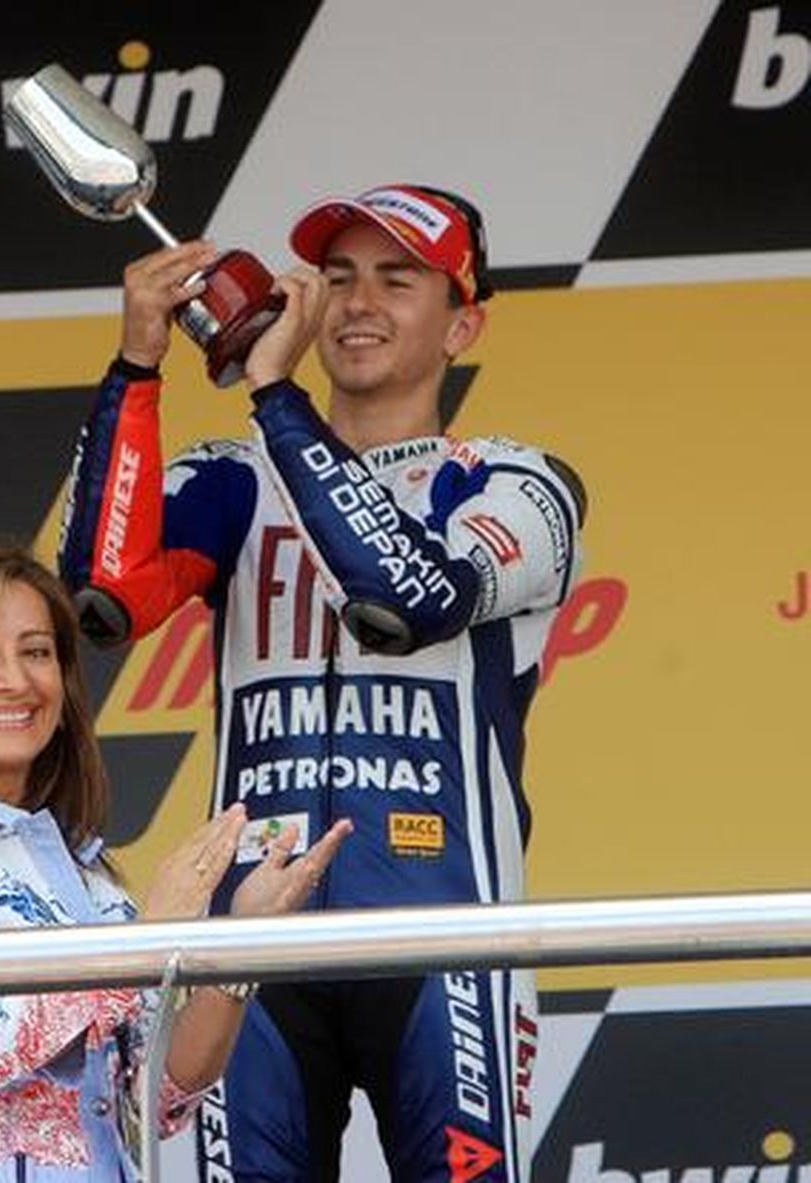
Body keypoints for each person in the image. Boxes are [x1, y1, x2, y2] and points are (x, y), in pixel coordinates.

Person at [58, 184, 588, 1183]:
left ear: (462, 323)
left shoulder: (518, 483)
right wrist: (136, 362)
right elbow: (99, 589)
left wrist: (276, 397)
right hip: (250, 937)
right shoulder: (236, 480)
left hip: (444, 939)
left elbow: (410, 591)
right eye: (336, 276)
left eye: (398, 280)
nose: (355, 302)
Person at [0, 541, 350, 1182]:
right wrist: (150, 939)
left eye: (37, 652)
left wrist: (242, 943)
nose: (15, 679)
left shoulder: (78, 869)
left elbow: (156, 1101)